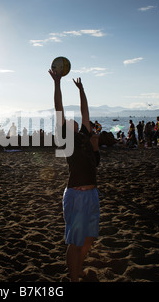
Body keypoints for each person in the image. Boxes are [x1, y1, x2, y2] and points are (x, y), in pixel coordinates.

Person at [49, 69, 101, 282]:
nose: (75, 121)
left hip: (92, 194)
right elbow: (58, 108)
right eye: (71, 122)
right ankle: (73, 278)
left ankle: (78, 269)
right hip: (76, 194)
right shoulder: (67, 140)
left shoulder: (84, 136)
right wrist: (57, 83)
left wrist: (82, 90)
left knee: (88, 238)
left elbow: (85, 112)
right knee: (76, 241)